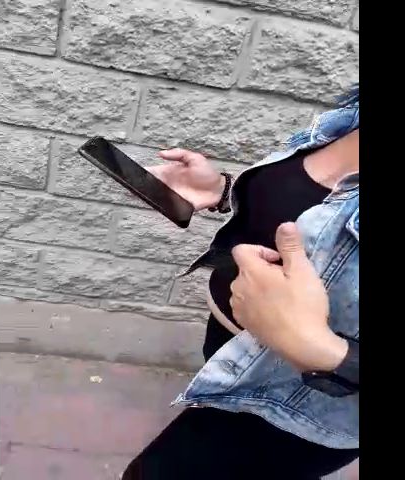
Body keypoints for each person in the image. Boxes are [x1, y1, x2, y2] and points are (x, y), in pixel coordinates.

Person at [122, 89, 360, 479]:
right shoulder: (351, 116)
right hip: (234, 351)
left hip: (300, 407)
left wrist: (324, 352)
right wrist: (223, 190)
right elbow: (316, 216)